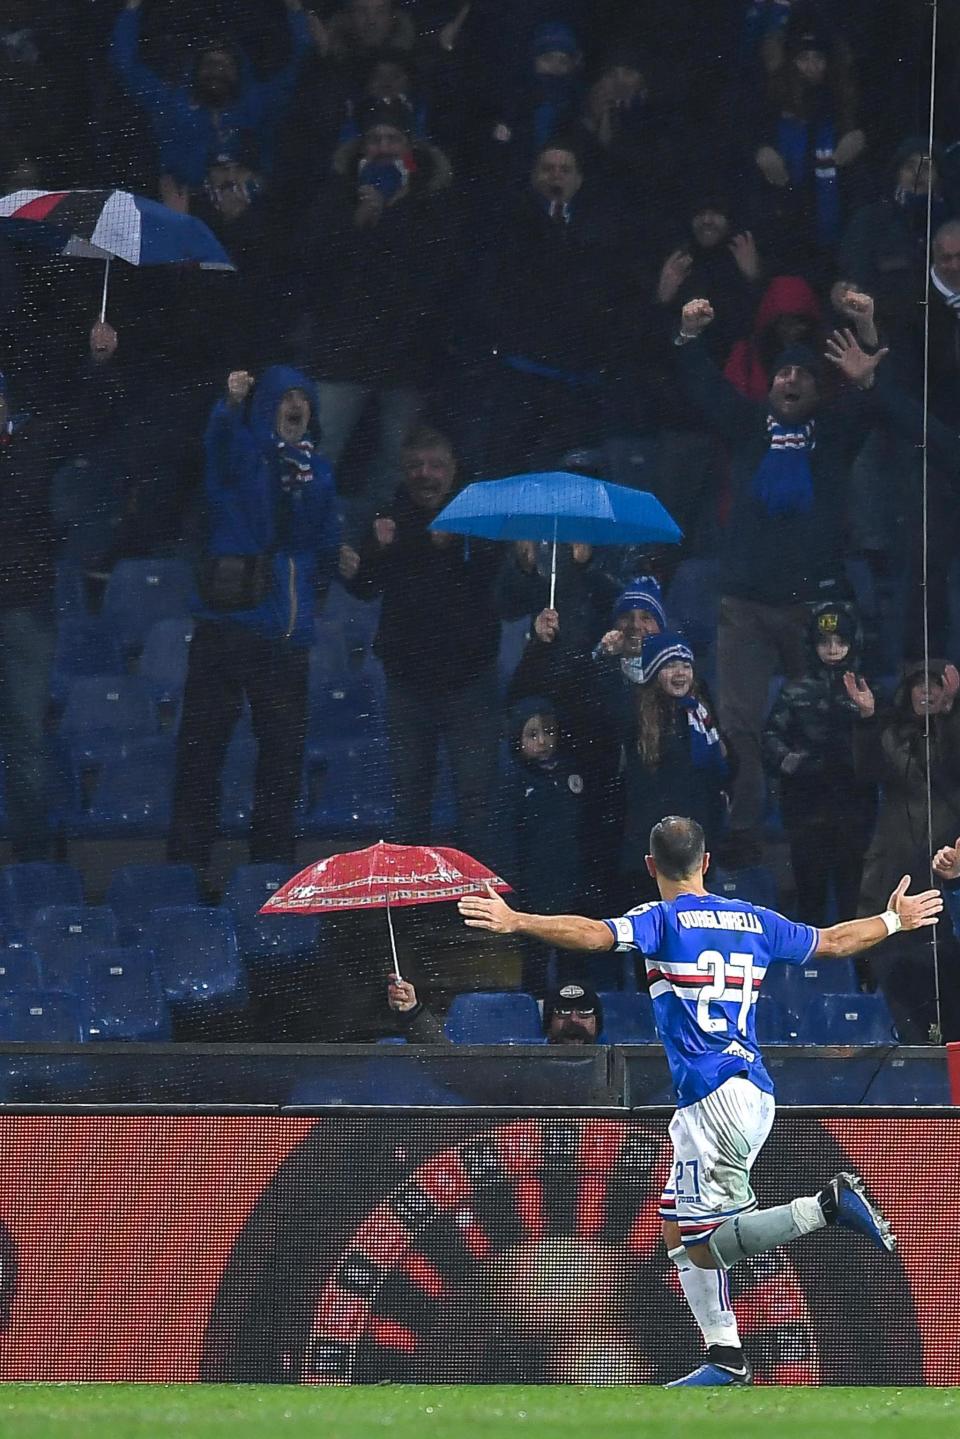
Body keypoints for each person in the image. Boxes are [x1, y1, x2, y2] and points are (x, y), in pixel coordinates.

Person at [458, 814, 941, 1386]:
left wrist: (516, 921)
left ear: (650, 866)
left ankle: (828, 1206)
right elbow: (835, 942)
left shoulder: (658, 920)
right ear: (707, 862)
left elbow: (592, 934)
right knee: (672, 1227)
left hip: (718, 1100)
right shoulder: (756, 919)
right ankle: (724, 1355)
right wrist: (894, 918)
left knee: (706, 1244)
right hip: (729, 1095)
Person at [673, 295, 907, 865]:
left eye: (803, 372)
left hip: (813, 609)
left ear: (819, 389)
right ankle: (746, 829)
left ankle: (824, 822)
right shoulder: (749, 428)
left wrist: (869, 334)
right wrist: (686, 335)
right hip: (746, 607)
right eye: (782, 372)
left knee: (826, 718)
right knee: (740, 724)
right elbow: (703, 388)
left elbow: (879, 399)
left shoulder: (834, 431)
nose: (791, 379)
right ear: (770, 385)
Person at [168, 366, 340, 873]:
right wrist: (231, 405)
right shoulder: (241, 452)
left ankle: (272, 877)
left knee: (282, 765)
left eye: (303, 398)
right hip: (226, 630)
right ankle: (186, 873)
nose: (296, 405)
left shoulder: (318, 471)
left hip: (284, 640)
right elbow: (218, 439)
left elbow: (319, 541)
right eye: (285, 397)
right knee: (201, 758)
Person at [338, 424, 502, 860]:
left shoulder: (477, 517)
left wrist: (460, 545)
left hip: (470, 683)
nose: (425, 475)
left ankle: (484, 918)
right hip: (409, 685)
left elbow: (499, 584)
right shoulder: (387, 517)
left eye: (435, 466)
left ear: (453, 470)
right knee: (410, 811)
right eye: (415, 466)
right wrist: (357, 563)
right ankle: (412, 920)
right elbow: (366, 586)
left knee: (476, 808)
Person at [847, 659, 960, 1040]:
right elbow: (866, 770)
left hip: (947, 866)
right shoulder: (891, 733)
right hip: (894, 868)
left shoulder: (952, 732)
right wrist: (867, 717)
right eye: (919, 685)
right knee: (900, 984)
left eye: (935, 685)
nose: (926, 692)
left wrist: (950, 711)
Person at [110, 0, 312, 204]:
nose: (216, 71)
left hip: (252, 211)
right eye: (209, 63)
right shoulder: (170, 103)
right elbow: (125, 64)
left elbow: (301, 66)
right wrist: (132, 7)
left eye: (225, 65)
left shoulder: (256, 103)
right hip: (185, 206)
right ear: (195, 72)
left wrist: (295, 9)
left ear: (239, 74)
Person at [762, 602, 876, 927]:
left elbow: (884, 748)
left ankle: (859, 971)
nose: (833, 649)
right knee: (810, 892)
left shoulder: (868, 689)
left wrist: (868, 715)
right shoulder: (795, 690)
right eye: (825, 642)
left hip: (854, 809)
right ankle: (813, 971)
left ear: (853, 643)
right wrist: (790, 761)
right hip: (806, 808)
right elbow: (769, 737)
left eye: (840, 642)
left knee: (852, 894)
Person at [618, 634, 729, 909]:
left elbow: (723, 769)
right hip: (651, 846)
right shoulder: (635, 714)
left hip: (695, 844)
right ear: (655, 672)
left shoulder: (701, 711)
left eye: (686, 665)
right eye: (670, 665)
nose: (680, 673)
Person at [388, 976, 602, 1044]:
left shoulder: (620, 1072)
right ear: (547, 1022)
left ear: (598, 1022)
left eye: (584, 1013)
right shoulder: (525, 1069)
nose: (573, 1021)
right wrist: (412, 1012)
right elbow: (450, 1067)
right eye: (562, 1013)